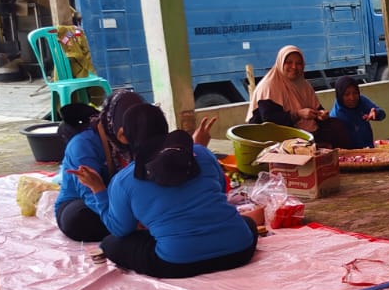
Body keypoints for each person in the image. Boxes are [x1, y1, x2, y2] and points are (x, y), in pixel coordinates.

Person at [72, 104, 257, 279]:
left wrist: (98, 189)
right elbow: (220, 190)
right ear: (166, 127)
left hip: (178, 262)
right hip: (239, 250)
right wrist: (198, 149)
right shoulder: (202, 153)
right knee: (246, 223)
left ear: (124, 136)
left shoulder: (124, 179)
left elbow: (119, 229)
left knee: (111, 243)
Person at [55, 90, 145, 242]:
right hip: (90, 201)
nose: (129, 139)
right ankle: (128, 226)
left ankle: (129, 226)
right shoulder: (82, 145)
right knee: (76, 219)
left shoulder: (141, 133)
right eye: (125, 134)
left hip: (125, 199)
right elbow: (89, 193)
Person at [248, 45, 349, 147]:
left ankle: (346, 155)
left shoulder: (304, 84)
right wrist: (298, 114)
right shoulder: (268, 86)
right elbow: (269, 121)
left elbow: (317, 109)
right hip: (276, 135)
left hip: (303, 131)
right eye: (289, 62)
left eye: (299, 63)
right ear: (280, 63)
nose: (294, 67)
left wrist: (321, 114)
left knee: (336, 126)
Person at [329, 75, 386, 147]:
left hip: (369, 148)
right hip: (350, 152)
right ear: (340, 96)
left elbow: (382, 114)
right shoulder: (335, 116)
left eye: (355, 93)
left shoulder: (361, 100)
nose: (352, 98)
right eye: (347, 94)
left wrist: (377, 113)